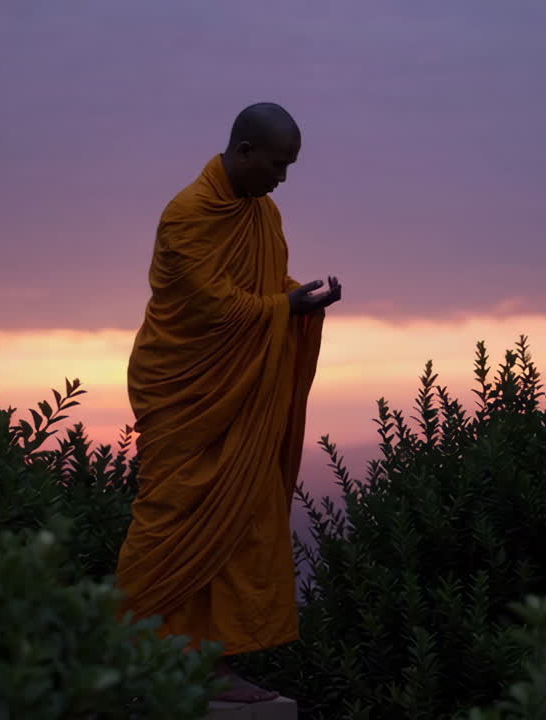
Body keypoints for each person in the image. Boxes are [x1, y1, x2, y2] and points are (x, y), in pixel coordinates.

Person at [116, 102, 342, 703]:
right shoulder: (188, 213)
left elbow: (264, 289)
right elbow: (206, 303)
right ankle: (129, 649)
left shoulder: (265, 214)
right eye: (277, 164)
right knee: (171, 515)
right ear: (243, 151)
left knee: (238, 520)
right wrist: (281, 311)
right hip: (185, 391)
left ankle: (209, 662)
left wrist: (301, 298)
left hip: (239, 391)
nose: (283, 179)